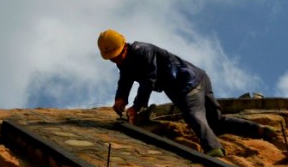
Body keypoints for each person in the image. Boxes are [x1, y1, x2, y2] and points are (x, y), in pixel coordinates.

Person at [96, 29, 265, 157]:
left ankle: (213, 149)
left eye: (117, 56)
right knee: (215, 122)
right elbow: (125, 79)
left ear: (124, 47)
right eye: (112, 58)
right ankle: (259, 130)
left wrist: (136, 107)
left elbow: (149, 80)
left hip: (187, 83)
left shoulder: (142, 51)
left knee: (193, 114)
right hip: (198, 78)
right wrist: (120, 98)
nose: (115, 60)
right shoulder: (124, 62)